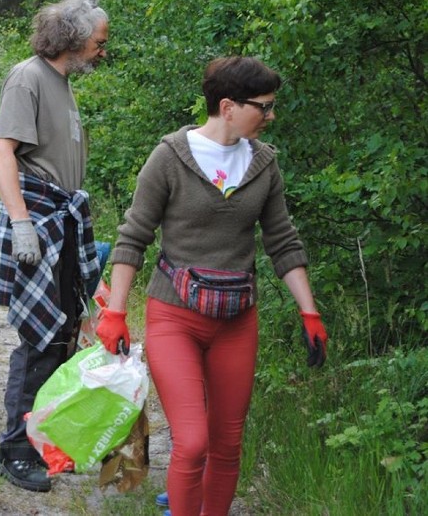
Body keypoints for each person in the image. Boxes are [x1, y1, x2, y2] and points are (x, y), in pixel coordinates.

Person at [95, 57, 328, 516]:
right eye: (264, 106)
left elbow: (283, 241)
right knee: (194, 440)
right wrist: (116, 312)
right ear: (228, 106)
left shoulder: (263, 164)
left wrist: (310, 312)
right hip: (174, 315)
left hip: (237, 321)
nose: (271, 115)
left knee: (226, 444)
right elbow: (134, 235)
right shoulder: (170, 156)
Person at [0, 0, 109, 492]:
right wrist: (20, 224)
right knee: (39, 340)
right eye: (100, 41)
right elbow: (1, 152)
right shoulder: (28, 78)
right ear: (75, 37)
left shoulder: (61, 82)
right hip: (37, 221)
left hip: (61, 220)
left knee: (62, 336)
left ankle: (40, 440)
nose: (104, 49)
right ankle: (14, 451)